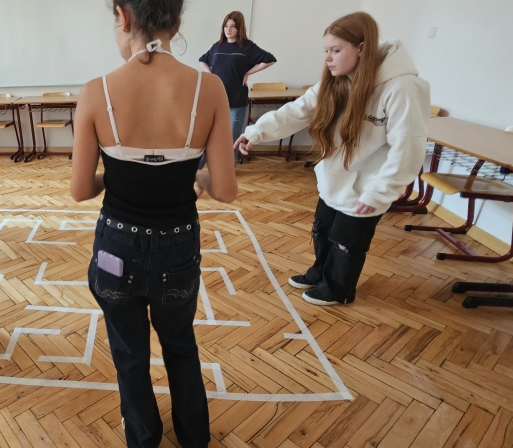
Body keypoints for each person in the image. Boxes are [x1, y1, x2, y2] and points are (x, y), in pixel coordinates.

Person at [70, 0, 238, 445]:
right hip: (177, 247)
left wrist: (117, 175)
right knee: (180, 343)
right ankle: (194, 436)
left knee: (129, 351)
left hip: (116, 248)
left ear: (123, 16)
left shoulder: (95, 92)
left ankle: (143, 438)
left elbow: (80, 190)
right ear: (176, 21)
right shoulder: (209, 88)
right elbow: (225, 189)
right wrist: (197, 177)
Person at [236, 12, 430, 306]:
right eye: (326, 50)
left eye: (336, 50)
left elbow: (408, 149)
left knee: (347, 240)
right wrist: (256, 131)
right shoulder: (336, 80)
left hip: (368, 186)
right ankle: (320, 273)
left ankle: (338, 290)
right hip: (334, 177)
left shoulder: (403, 87)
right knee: (324, 229)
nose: (328, 58)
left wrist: (381, 192)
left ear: (362, 48)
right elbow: (297, 111)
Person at [198, 11, 275, 165]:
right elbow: (202, 60)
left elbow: (270, 59)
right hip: (216, 99)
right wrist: (210, 75)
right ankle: (197, 168)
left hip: (237, 99)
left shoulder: (247, 47)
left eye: (233, 26)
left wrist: (248, 72)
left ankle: (228, 169)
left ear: (239, 28)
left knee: (232, 137)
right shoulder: (217, 46)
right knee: (209, 135)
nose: (228, 29)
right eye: (226, 26)